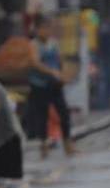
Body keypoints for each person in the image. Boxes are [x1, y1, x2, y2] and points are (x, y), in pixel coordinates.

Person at [27, 14, 75, 159]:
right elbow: (35, 63)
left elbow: (60, 60)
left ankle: (67, 143)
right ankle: (43, 145)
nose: (47, 31)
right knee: (42, 115)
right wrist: (51, 72)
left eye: (48, 28)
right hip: (40, 84)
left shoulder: (54, 43)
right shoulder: (33, 45)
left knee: (64, 113)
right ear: (37, 30)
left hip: (55, 84)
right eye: (43, 28)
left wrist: (63, 74)